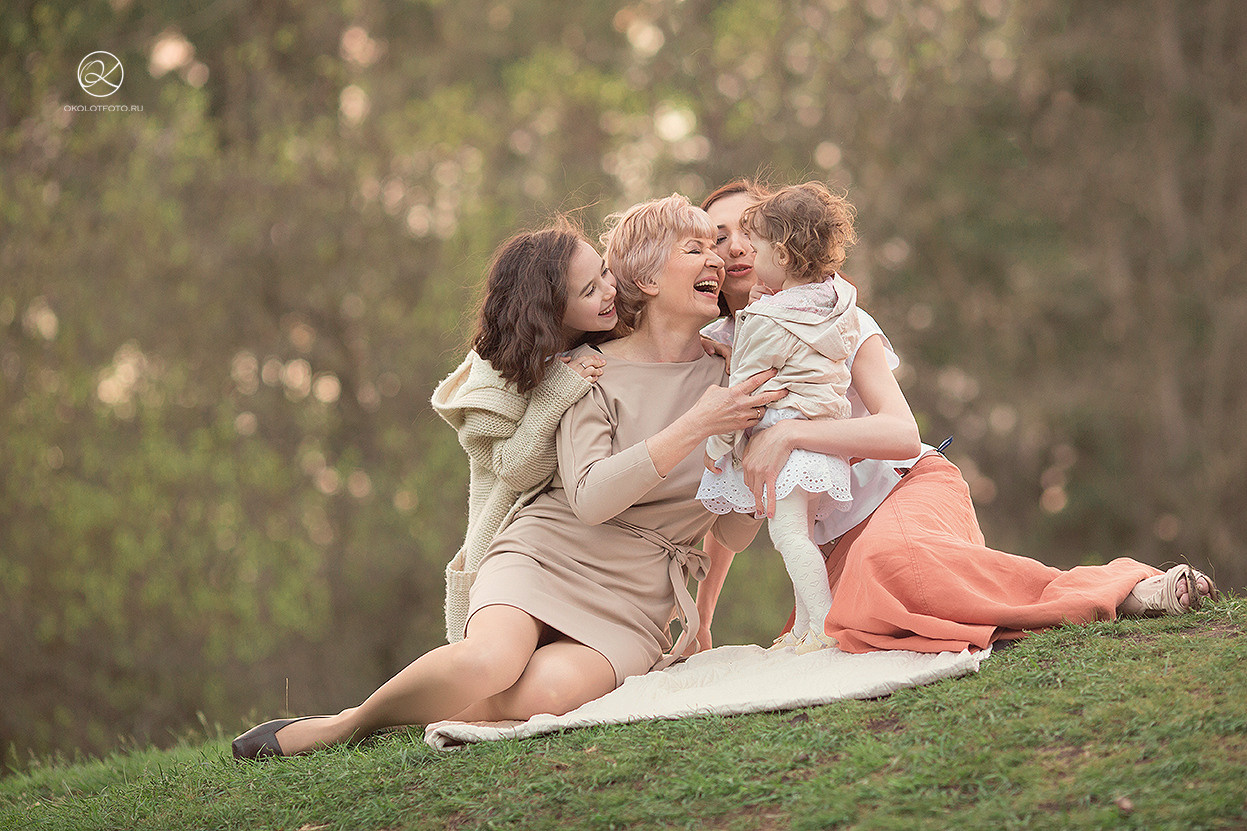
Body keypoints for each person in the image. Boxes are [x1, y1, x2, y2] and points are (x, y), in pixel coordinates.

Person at [231, 195, 782, 759]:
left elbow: (734, 535)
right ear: (644, 277)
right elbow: (591, 497)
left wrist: (753, 463)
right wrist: (697, 426)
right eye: (695, 249)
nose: (716, 260)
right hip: (549, 552)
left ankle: (408, 712)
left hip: (639, 595)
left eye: (713, 248)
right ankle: (344, 727)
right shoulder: (586, 370)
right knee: (490, 661)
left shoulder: (733, 380)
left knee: (545, 692)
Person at [695, 177, 1219, 657]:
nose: (737, 244)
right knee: (855, 620)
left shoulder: (836, 316)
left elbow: (901, 434)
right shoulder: (715, 352)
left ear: (781, 245)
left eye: (748, 229)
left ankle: (1122, 591)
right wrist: (701, 619)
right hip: (830, 542)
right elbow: (724, 515)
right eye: (718, 237)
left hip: (903, 492)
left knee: (893, 569)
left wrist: (788, 432)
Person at [431, 220, 617, 643]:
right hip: (511, 553)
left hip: (583, 549)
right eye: (589, 291)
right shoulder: (493, 379)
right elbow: (516, 471)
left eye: (604, 272)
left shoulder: (598, 337)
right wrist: (555, 393)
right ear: (550, 311)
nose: (609, 291)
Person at [697, 182, 863, 655]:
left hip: (790, 446)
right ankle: (804, 627)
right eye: (721, 237)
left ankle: (825, 626)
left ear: (784, 257)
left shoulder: (770, 319)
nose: (742, 249)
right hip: (822, 450)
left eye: (757, 242)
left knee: (789, 536)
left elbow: (741, 395)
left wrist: (716, 448)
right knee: (799, 535)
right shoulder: (832, 304)